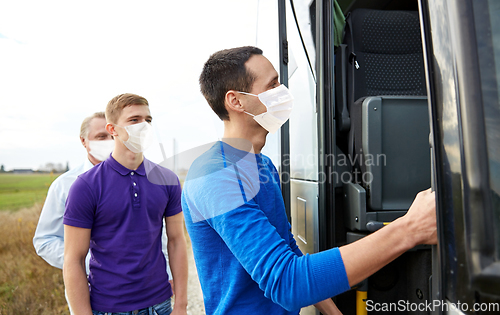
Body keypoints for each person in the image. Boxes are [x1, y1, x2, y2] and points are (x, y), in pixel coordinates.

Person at [181, 46, 437, 315]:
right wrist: (410, 229)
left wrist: (332, 312)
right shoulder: (214, 177)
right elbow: (286, 282)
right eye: (273, 85)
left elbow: (287, 247)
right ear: (236, 101)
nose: (283, 91)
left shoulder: (264, 165)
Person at [33, 111, 174, 312]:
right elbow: (44, 240)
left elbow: (158, 235)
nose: (109, 141)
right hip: (93, 296)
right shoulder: (65, 185)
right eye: (100, 137)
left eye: (111, 135)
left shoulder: (145, 178)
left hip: (150, 295)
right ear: (84, 141)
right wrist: (95, 260)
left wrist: (167, 273)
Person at [63, 94, 188, 315]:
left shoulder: (168, 180)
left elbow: (177, 242)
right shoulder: (85, 186)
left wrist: (181, 305)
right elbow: (73, 259)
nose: (144, 126)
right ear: (112, 129)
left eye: (148, 120)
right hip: (109, 308)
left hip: (160, 305)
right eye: (134, 120)